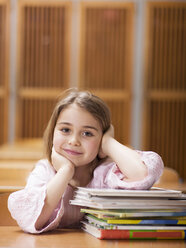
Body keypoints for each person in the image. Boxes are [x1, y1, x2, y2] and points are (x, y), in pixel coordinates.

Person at [8, 88, 164, 234]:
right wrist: (65, 171)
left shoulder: (107, 172)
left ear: (101, 138)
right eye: (65, 130)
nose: (74, 141)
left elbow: (141, 175)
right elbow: (33, 220)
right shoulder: (45, 170)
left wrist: (109, 143)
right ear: (52, 132)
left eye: (87, 133)